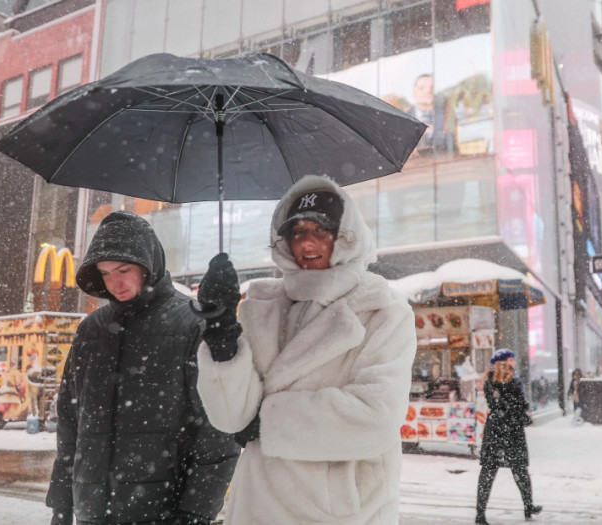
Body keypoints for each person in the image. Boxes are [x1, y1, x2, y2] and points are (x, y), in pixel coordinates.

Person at [194, 175, 417, 524]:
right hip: (259, 505)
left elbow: (376, 417)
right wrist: (221, 338)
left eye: (321, 230)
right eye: (297, 231)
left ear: (347, 238)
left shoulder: (383, 310)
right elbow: (232, 419)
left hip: (340, 512)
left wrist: (268, 422)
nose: (307, 241)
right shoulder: (261, 305)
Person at [46, 211, 238, 525]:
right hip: (92, 513)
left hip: (164, 512)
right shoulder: (91, 331)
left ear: (149, 265)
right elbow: (70, 425)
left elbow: (216, 430)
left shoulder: (190, 325)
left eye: (124, 269)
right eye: (105, 273)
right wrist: (61, 506)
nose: (115, 282)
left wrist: (196, 512)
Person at [475, 349, 542, 524]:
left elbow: (503, 405)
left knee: (503, 470)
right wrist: (521, 414)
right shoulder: (506, 382)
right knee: (505, 470)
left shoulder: (496, 381)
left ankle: (527, 506)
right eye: (511, 360)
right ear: (503, 363)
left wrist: (516, 411)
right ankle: (481, 513)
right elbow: (511, 406)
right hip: (508, 431)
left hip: (499, 430)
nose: (514, 363)